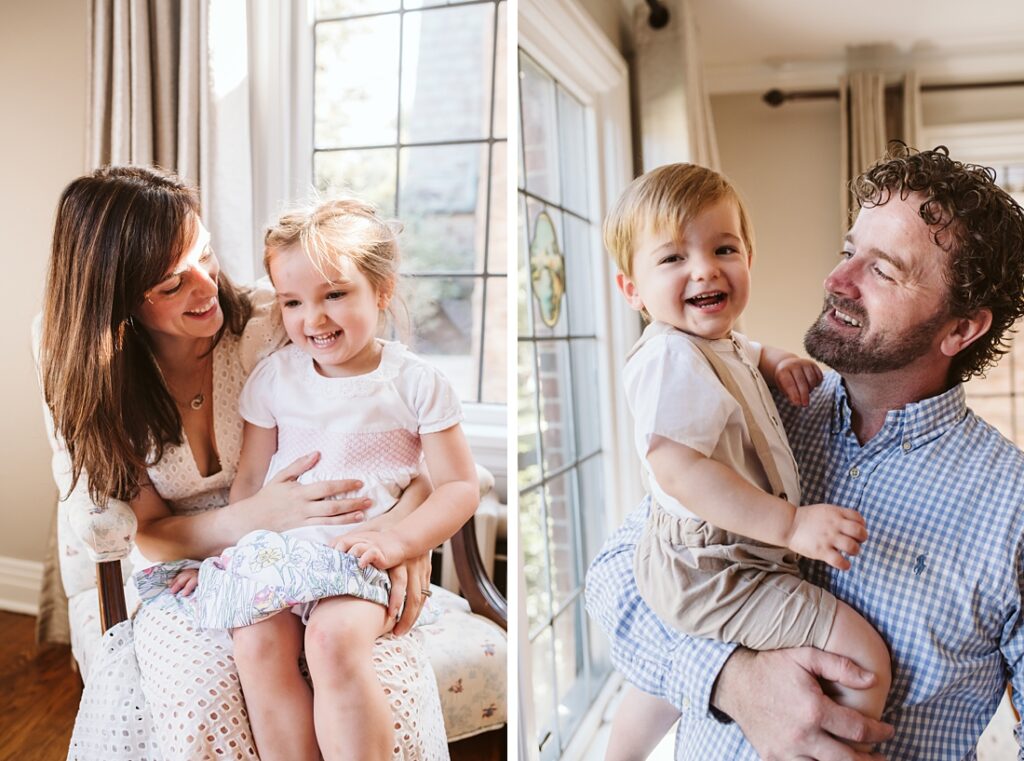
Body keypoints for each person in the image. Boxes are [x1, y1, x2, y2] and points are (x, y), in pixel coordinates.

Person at [585, 143, 1024, 760]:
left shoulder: (1014, 508)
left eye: (884, 269)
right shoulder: (759, 412)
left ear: (960, 329)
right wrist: (729, 680)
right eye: (849, 251)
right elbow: (612, 579)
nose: (835, 280)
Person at [39, 166, 449, 760]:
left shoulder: (273, 323)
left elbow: (397, 435)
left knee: (371, 676)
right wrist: (256, 523)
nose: (207, 288)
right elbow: (150, 535)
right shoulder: (99, 387)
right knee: (205, 696)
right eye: (171, 284)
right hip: (203, 563)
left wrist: (407, 538)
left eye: (205, 255)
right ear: (117, 298)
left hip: (345, 541)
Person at [165, 198, 479, 761]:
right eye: (293, 301)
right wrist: (226, 562)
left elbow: (459, 487)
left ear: (380, 291)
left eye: (335, 294)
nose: (314, 319)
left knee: (332, 641)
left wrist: (397, 542)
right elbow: (250, 489)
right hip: (282, 551)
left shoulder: (416, 383)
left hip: (361, 555)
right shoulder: (273, 380)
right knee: (256, 641)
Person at [599, 163, 889, 760]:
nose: (704, 268)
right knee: (862, 657)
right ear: (632, 290)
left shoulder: (711, 341)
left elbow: (745, 351)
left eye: (722, 247)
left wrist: (777, 361)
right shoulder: (668, 359)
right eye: (673, 258)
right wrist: (790, 525)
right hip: (716, 562)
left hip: (702, 557)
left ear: (747, 260)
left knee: (669, 675)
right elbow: (679, 468)